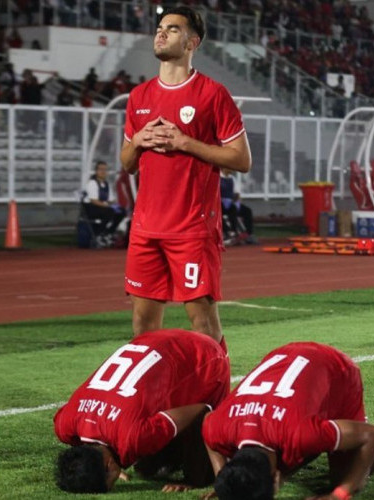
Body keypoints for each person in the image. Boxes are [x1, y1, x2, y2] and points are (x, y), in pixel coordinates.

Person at [120, 6, 252, 344]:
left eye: (173, 29)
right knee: (142, 328)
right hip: (146, 229)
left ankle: (217, 395)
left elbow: (241, 159)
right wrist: (137, 142)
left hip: (192, 229)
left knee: (204, 326)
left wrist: (185, 142)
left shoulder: (212, 94)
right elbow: (126, 163)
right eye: (160, 27)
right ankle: (153, 396)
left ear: (192, 42)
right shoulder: (139, 97)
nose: (161, 33)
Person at [53, 329, 230, 494]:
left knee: (196, 469)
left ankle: (199, 476)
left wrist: (204, 479)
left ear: (109, 465)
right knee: (147, 468)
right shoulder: (65, 425)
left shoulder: (133, 438)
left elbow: (203, 411)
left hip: (204, 353)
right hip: (151, 340)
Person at [200, 342, 374, 500]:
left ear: (276, 477)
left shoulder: (300, 434)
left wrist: (340, 493)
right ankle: (322, 439)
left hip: (334, 366)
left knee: (350, 477)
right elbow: (207, 421)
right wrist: (224, 477)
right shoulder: (217, 428)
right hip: (285, 355)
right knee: (302, 444)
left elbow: (373, 435)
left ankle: (333, 434)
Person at [83, 161, 126, 245]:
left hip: (103, 207)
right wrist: (108, 205)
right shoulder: (92, 183)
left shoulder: (106, 184)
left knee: (121, 211)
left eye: (105, 170)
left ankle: (109, 232)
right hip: (91, 208)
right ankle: (98, 234)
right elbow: (94, 200)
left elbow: (111, 199)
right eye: (100, 169)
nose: (103, 172)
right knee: (109, 212)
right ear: (96, 171)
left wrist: (115, 206)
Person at [220, 167, 256, 243]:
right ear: (223, 168)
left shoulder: (233, 179)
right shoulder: (218, 178)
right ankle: (231, 232)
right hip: (219, 203)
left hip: (231, 202)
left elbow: (237, 194)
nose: (232, 169)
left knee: (247, 211)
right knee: (230, 210)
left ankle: (248, 233)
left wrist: (235, 201)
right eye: (229, 167)